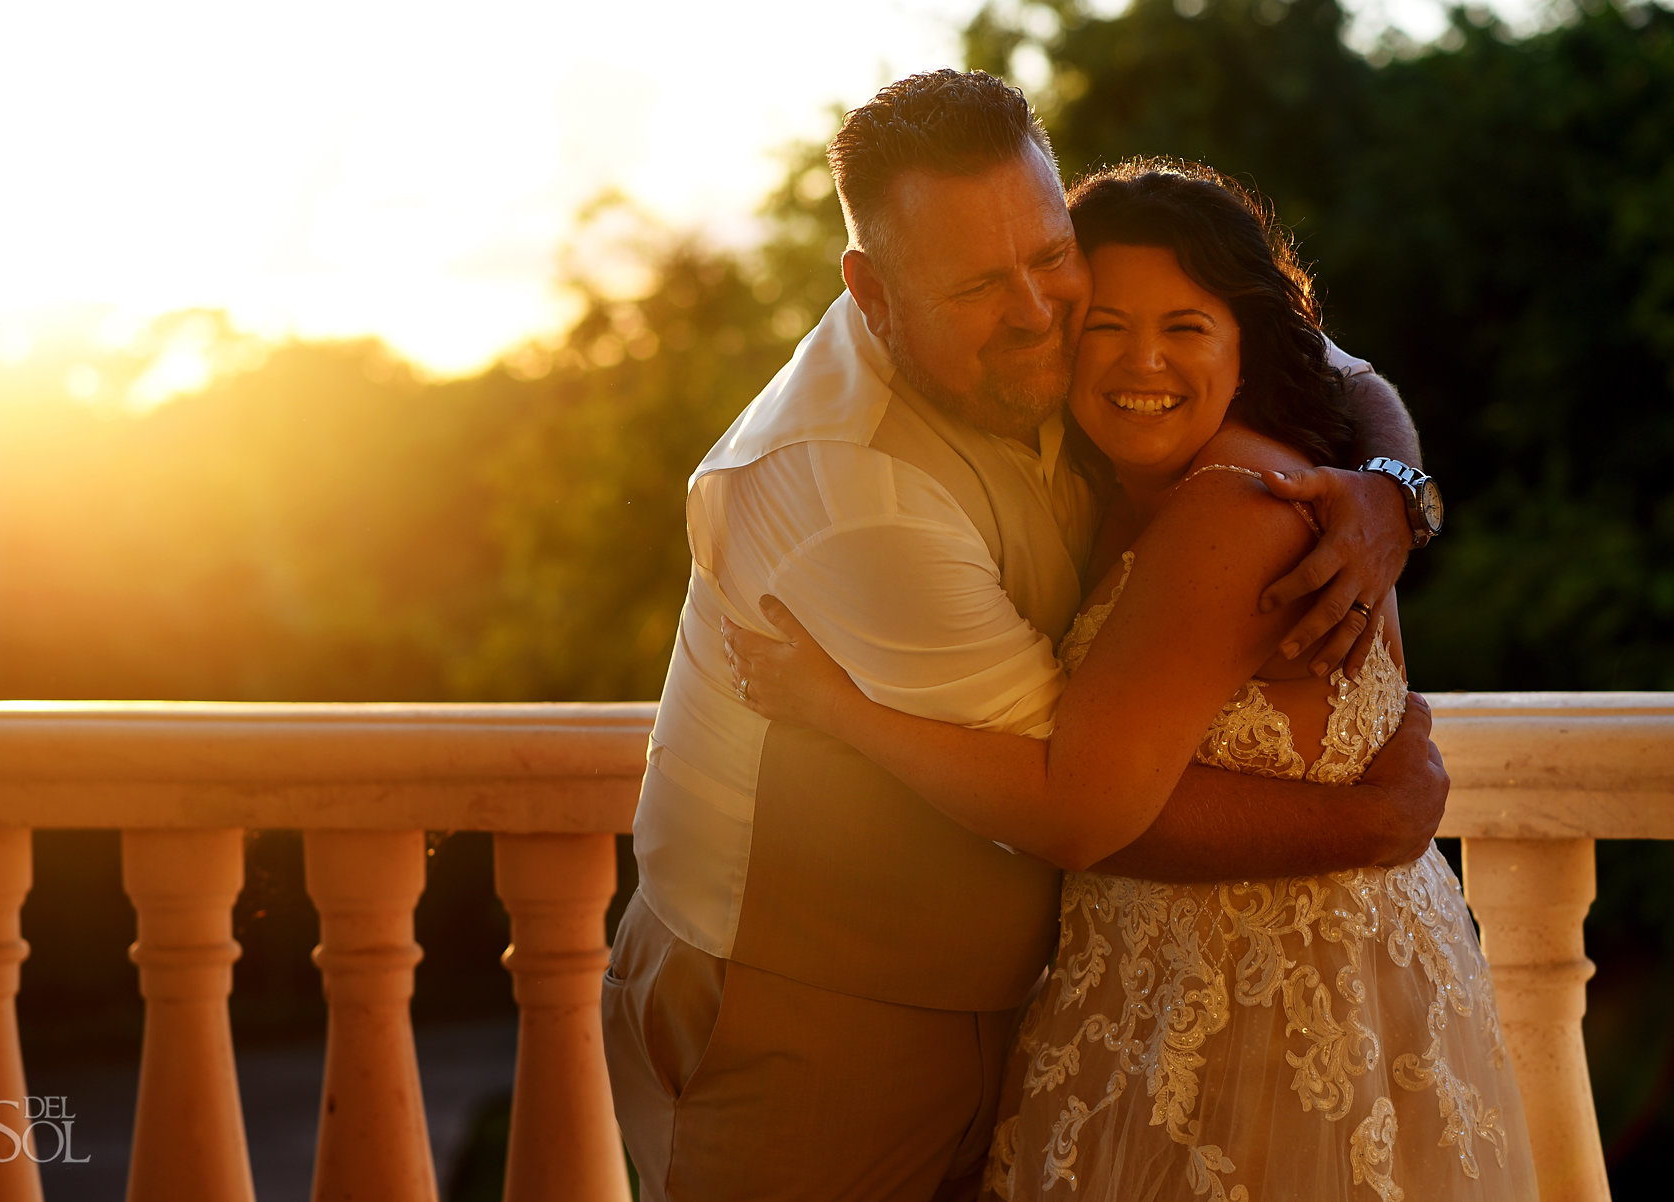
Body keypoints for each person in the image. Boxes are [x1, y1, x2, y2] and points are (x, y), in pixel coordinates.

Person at [604, 70, 1446, 1202]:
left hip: (1051, 1001)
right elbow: (1081, 798)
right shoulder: (858, 493)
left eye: (1052, 257)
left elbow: (1331, 362)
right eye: (980, 284)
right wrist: (1375, 818)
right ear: (874, 290)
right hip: (812, 1015)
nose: (1039, 308)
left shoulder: (1086, 323)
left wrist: (1392, 486)